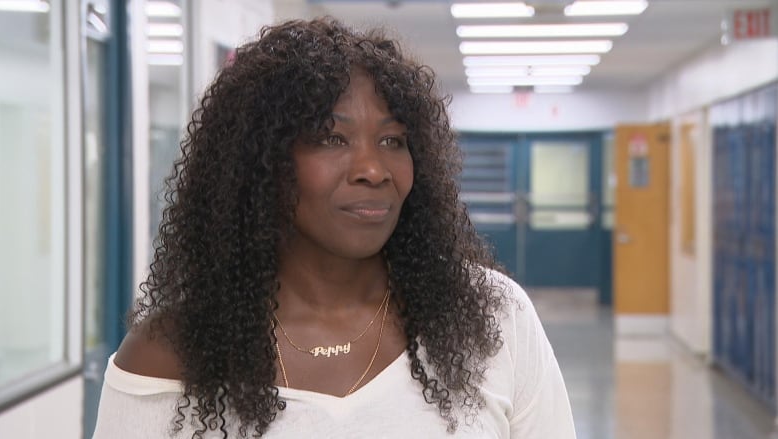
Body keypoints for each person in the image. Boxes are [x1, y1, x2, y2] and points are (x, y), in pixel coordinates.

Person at [92, 17, 576, 439]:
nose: (373, 168)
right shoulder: (170, 352)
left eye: (392, 140)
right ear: (262, 163)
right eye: (331, 137)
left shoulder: (492, 317)